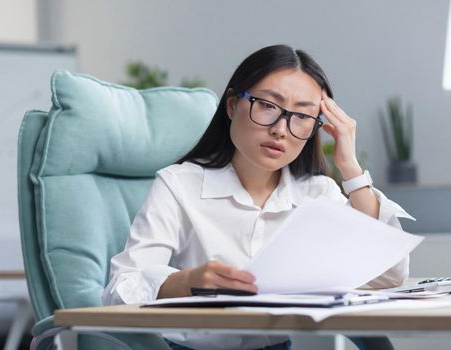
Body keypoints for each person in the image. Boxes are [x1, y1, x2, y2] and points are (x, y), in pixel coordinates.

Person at [103, 44, 413, 350]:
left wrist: (351, 171)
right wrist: (186, 282)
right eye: (267, 105)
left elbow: (388, 276)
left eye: (302, 116)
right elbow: (120, 289)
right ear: (232, 106)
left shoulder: (316, 193)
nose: (281, 129)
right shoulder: (179, 185)